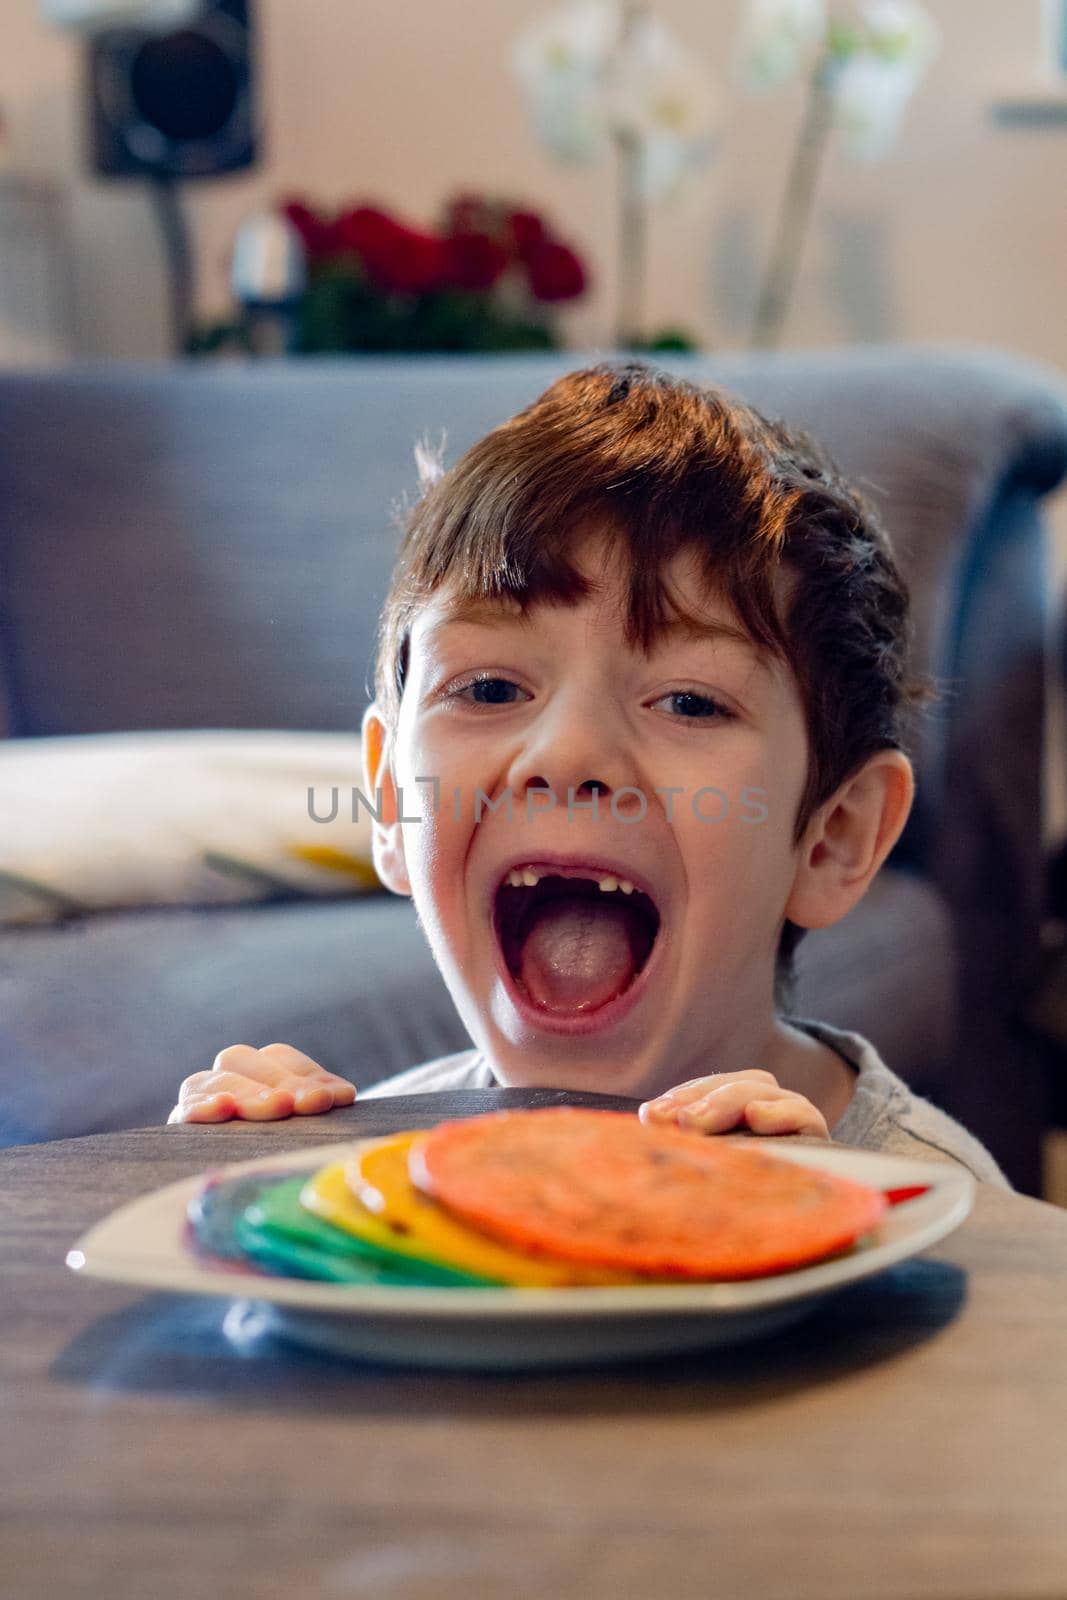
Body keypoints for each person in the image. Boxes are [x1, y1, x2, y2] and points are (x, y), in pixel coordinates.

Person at [168, 362, 1009, 1188]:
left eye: (687, 702)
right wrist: (250, 1243)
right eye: (490, 688)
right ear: (391, 799)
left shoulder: (929, 1206)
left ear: (831, 840)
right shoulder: (362, 1178)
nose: (566, 755)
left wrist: (823, 1260)